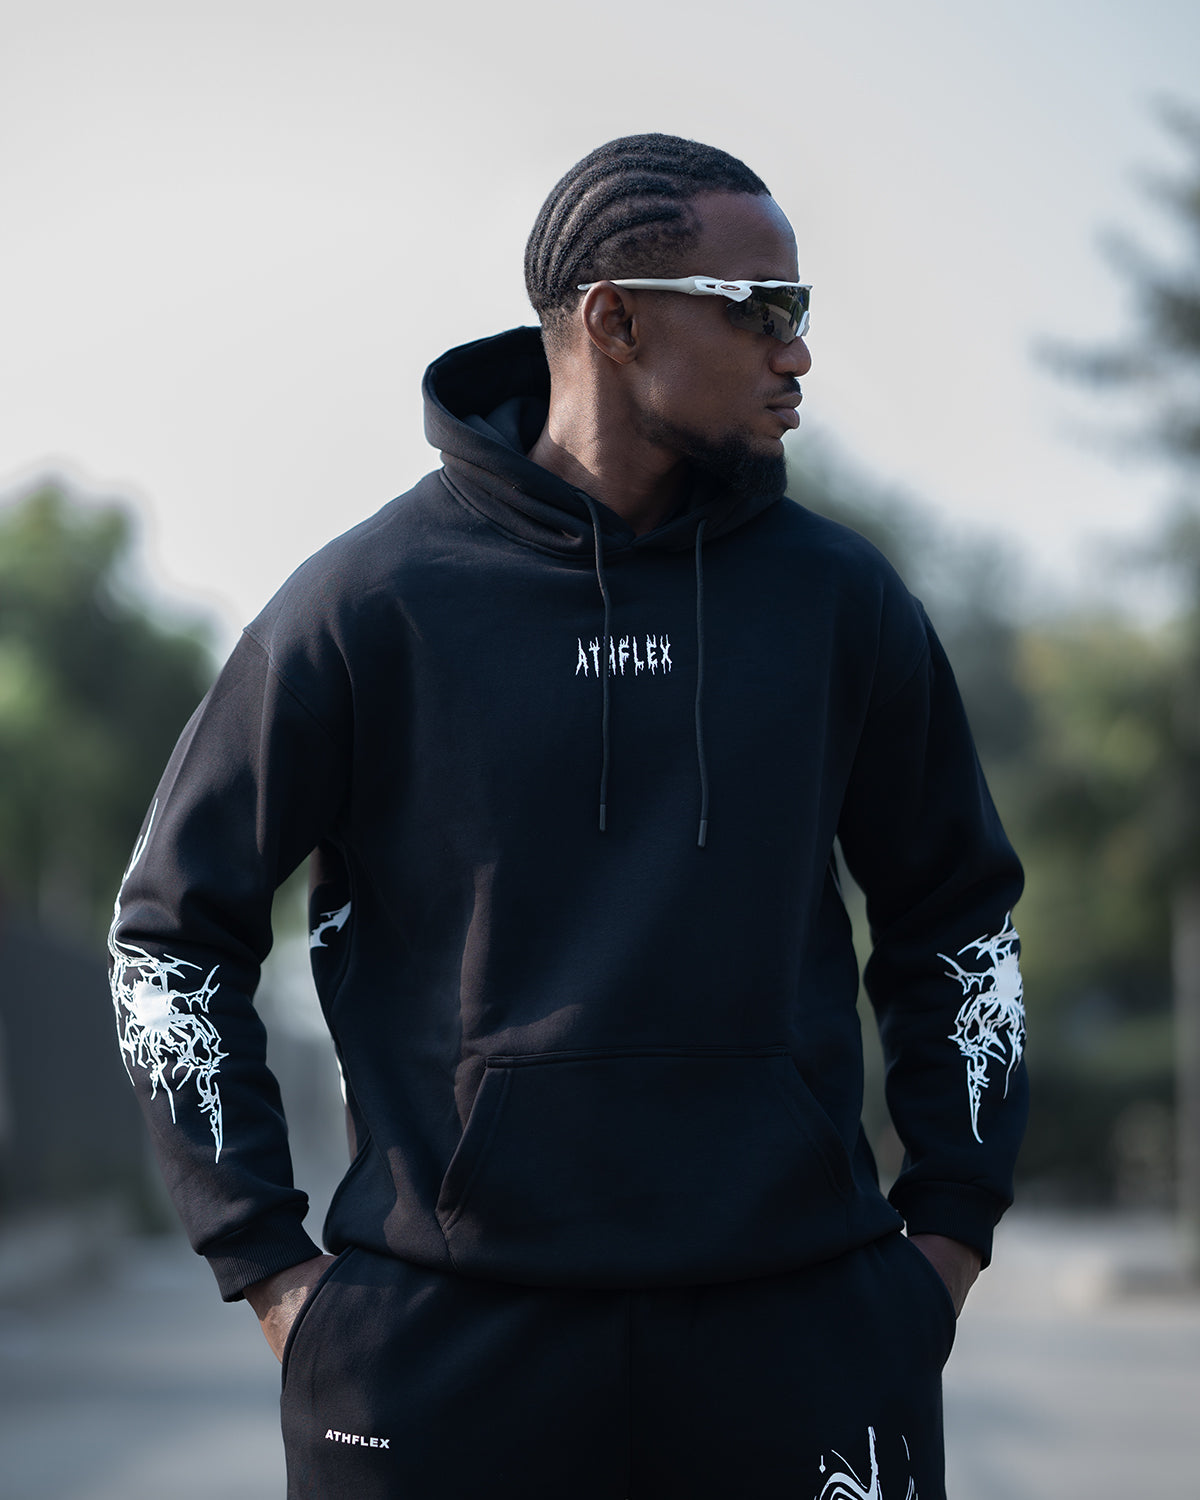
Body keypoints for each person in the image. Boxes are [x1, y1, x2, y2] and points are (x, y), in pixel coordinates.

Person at [108, 133, 1027, 1499]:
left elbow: (958, 920)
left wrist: (942, 1244)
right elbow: (170, 937)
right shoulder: (368, 606)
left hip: (802, 1340)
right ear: (614, 320)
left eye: (803, 310)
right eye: (761, 308)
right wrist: (277, 1277)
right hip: (442, 1360)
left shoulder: (842, 603)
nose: (798, 353)